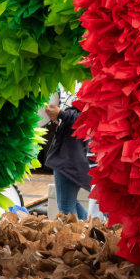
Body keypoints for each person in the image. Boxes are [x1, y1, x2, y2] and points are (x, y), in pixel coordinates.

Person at [42, 88, 96, 220]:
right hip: (71, 156)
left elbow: (88, 118)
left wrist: (61, 114)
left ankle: (82, 237)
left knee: (66, 206)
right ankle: (88, 231)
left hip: (70, 158)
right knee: (69, 203)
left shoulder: (89, 83)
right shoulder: (76, 83)